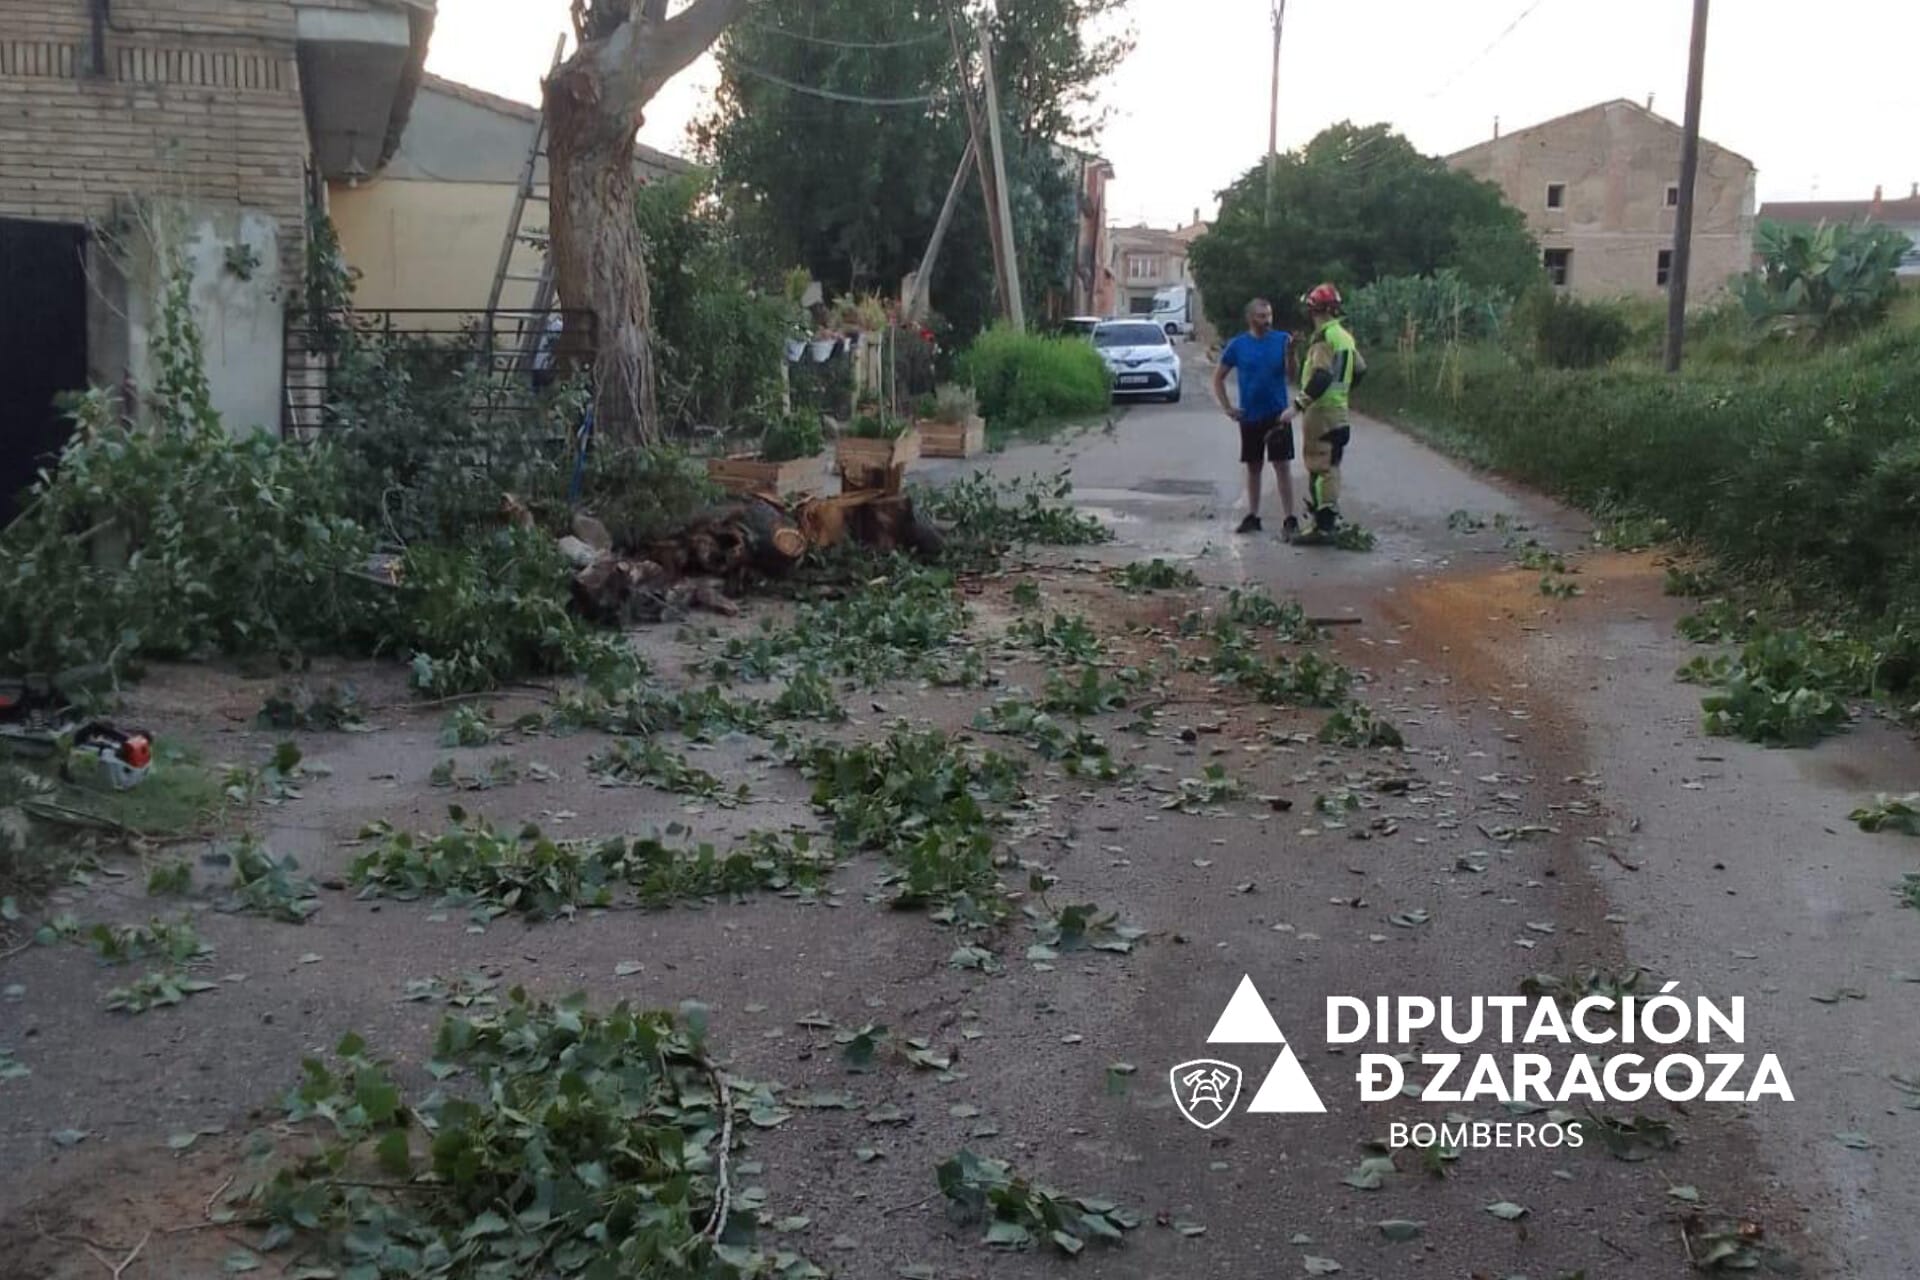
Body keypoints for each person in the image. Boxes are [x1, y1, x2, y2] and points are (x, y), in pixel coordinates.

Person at [1280, 282, 1366, 537]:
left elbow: (1321, 376)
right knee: (1333, 463)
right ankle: (1329, 519)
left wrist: (1297, 406)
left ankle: (1322, 523)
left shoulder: (1323, 339)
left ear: (1313, 311)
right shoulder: (1344, 336)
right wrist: (1344, 390)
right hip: (1339, 410)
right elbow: (1361, 369)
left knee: (1319, 465)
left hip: (1321, 412)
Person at [1211, 297, 1297, 536]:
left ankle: (1290, 518)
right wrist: (1228, 407)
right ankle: (1253, 515)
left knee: (1282, 466)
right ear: (1250, 318)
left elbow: (1292, 377)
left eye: (1269, 315)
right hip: (1250, 416)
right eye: (1261, 316)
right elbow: (1218, 377)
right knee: (1253, 467)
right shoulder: (1238, 345)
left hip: (1278, 415)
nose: (1267, 321)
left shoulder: (1282, 341)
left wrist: (1291, 354)